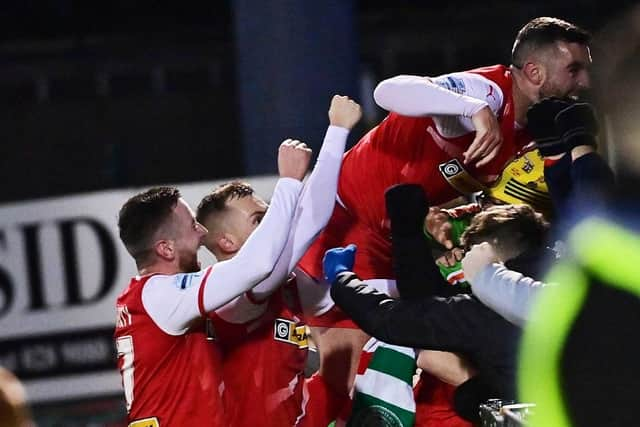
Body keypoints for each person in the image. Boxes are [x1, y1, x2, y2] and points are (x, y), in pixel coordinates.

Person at [295, 18, 592, 423]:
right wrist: (473, 110)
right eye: (574, 69)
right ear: (535, 72)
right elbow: (388, 91)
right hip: (347, 223)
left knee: (425, 347)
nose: (585, 82)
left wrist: (440, 216)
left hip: (394, 231)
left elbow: (449, 176)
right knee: (342, 374)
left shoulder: (532, 131)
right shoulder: (487, 94)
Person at [113, 140, 312, 426]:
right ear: (166, 249)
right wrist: (290, 183)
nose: (202, 232)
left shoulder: (148, 299)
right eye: (193, 226)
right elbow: (256, 265)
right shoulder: (161, 295)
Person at [195, 96, 362, 426]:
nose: (275, 225)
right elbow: (309, 224)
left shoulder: (286, 289)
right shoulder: (227, 297)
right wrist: (337, 131)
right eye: (260, 220)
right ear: (226, 242)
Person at [324, 203, 550, 422]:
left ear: (487, 254)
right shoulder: (574, 287)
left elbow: (388, 319)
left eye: (470, 254)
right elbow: (433, 299)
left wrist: (341, 277)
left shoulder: (481, 312)